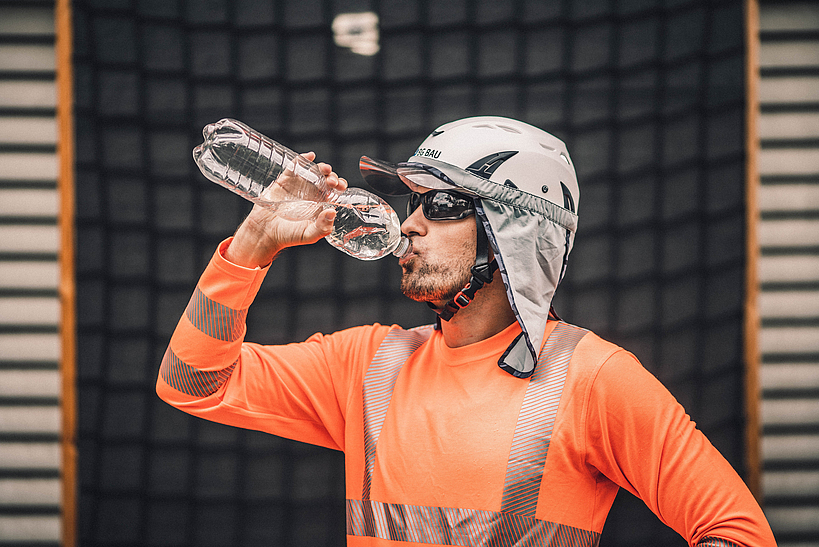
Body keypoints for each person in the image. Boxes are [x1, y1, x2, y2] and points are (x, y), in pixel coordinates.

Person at [157, 116, 776, 546]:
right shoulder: (367, 366)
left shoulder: (593, 380)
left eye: (444, 205)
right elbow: (192, 383)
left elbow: (738, 534)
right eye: (414, 204)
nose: (411, 225)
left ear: (514, 228)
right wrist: (252, 245)